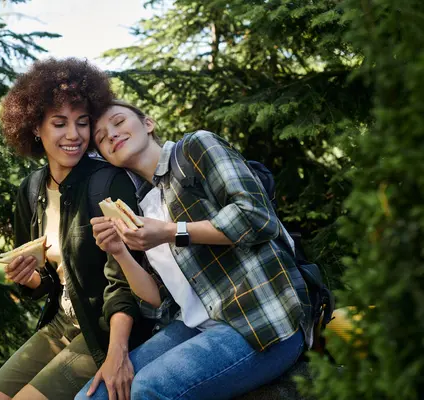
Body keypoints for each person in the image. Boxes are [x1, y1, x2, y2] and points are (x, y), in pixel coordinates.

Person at [76, 100, 313, 400]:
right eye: (100, 136)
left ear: (148, 124)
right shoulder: (143, 206)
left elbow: (256, 217)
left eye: (119, 121)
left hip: (266, 318)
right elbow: (156, 303)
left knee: (146, 390)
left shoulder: (194, 148)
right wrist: (119, 252)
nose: (110, 134)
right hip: (197, 326)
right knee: (92, 396)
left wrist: (171, 232)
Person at [0, 62, 150, 400]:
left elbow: (126, 280)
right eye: (59, 123)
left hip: (105, 328)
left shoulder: (106, 183)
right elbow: (51, 280)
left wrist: (118, 353)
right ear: (35, 128)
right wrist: (29, 279)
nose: (74, 135)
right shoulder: (31, 189)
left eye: (82, 123)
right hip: (61, 325)